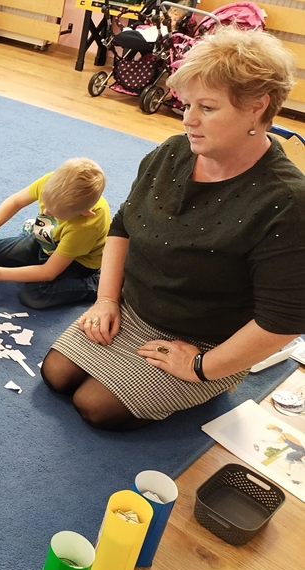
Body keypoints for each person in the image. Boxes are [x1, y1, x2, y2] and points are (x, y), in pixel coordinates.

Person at [41, 27, 305, 430]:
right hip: (135, 308)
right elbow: (123, 225)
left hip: (206, 339)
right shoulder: (171, 152)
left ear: (257, 106)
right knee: (56, 374)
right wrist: (107, 300)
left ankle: (216, 380)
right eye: (187, 104)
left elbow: (283, 321)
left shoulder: (286, 202)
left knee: (95, 406)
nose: (188, 120)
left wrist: (201, 366)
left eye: (207, 108)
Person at [0, 158, 110, 309]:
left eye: (54, 214)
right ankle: (34, 252)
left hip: (78, 262)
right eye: (45, 205)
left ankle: (96, 284)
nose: (45, 212)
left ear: (85, 213)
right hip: (46, 240)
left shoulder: (86, 226)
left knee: (34, 295)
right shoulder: (52, 183)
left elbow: (48, 272)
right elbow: (15, 201)